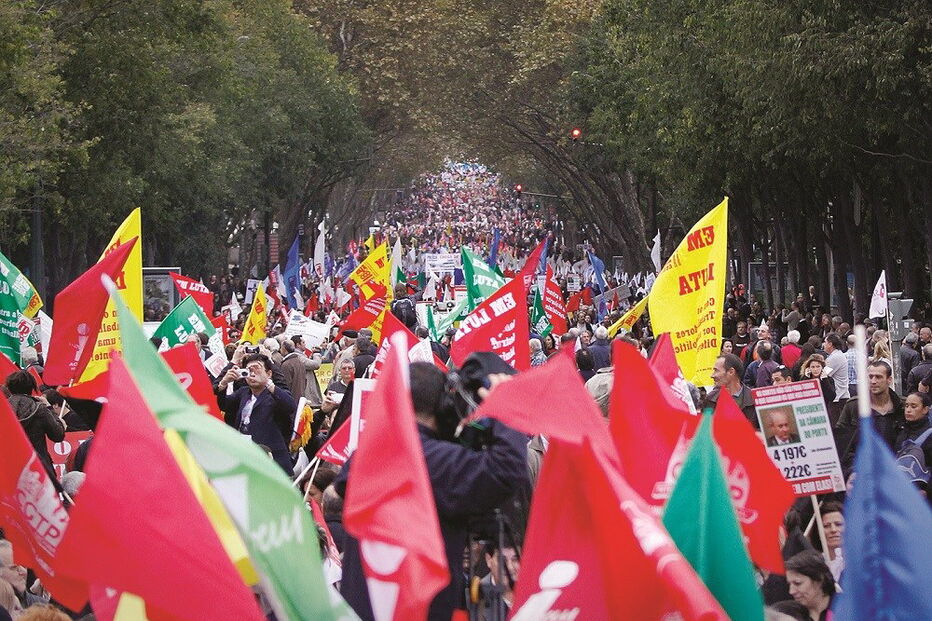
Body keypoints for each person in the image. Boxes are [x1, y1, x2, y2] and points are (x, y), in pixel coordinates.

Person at [335, 362, 529, 621]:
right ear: (444, 408)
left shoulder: (365, 459)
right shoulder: (431, 461)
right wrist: (504, 407)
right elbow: (506, 471)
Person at [216, 353, 297, 472]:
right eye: (248, 370)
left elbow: (290, 406)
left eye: (257, 369)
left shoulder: (274, 394)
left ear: (269, 373)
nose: (252, 374)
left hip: (271, 458)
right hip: (245, 455)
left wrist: (268, 383)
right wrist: (223, 383)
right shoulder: (243, 392)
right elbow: (224, 405)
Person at [836, 361, 904, 478]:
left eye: (878, 377)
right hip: (864, 474)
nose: (873, 381)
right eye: (870, 377)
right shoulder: (853, 407)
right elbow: (841, 445)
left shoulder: (902, 408)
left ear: (889, 380)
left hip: (896, 474)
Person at [4, 371, 65, 479]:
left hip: (11, 470)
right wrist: (49, 408)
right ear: (32, 388)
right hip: (40, 469)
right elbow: (58, 435)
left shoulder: (3, 409)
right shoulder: (40, 409)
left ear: (9, 387)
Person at [704, 353, 757, 428]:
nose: (712, 375)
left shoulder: (755, 400)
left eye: (716, 370)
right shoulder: (710, 399)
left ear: (731, 372)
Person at [894, 391, 932, 492]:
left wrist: (927, 491)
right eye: (906, 406)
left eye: (913, 406)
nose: (908, 410)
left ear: (925, 409)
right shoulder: (901, 430)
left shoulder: (929, 434)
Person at [784, 550, 835, 621]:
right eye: (789, 584)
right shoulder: (790, 616)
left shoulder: (845, 607)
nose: (791, 591)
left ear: (819, 580)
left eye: (797, 583)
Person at [476, 542, 520, 620]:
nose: (509, 567)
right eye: (502, 560)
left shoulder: (537, 594)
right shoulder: (476, 597)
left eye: (515, 559)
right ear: (489, 560)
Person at [822, 334, 849, 426]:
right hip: (838, 395)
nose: (823, 344)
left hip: (838, 397)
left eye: (825, 342)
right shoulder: (836, 356)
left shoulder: (835, 357)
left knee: (836, 426)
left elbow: (823, 374)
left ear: (830, 344)